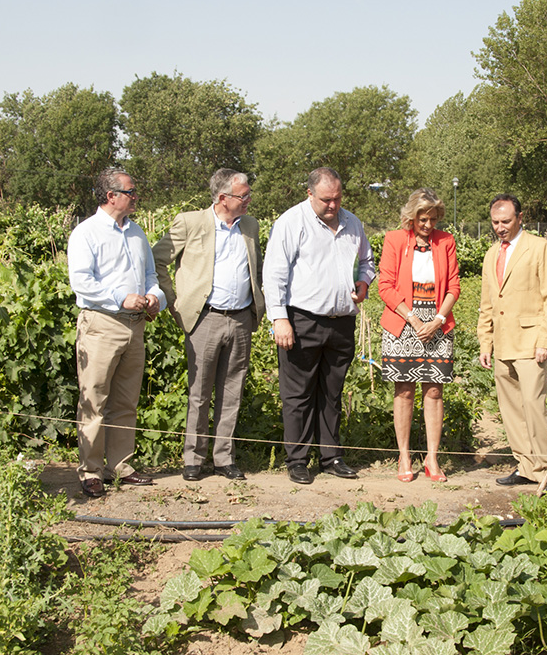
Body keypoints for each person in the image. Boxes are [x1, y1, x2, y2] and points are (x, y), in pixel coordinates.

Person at [262, 167, 376, 485]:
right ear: (309, 194)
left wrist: (364, 283)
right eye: (326, 199)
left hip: (341, 322)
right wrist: (279, 318)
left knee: (332, 392)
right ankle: (297, 460)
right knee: (297, 394)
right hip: (302, 320)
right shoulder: (290, 223)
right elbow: (274, 274)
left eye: (338, 198)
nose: (333, 206)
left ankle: (332, 456)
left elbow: (367, 262)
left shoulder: (353, 223)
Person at [152, 168, 265, 482]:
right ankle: (193, 459)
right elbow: (157, 260)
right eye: (243, 196)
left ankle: (223, 458)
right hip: (205, 317)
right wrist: (174, 303)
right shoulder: (191, 222)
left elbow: (255, 268)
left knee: (232, 390)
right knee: (199, 392)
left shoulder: (251, 226)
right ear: (222, 198)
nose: (248, 200)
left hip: (241, 318)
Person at [68, 167, 166, 498]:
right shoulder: (86, 233)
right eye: (131, 191)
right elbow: (81, 281)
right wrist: (119, 297)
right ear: (111, 196)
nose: (136, 197)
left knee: (126, 400)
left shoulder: (137, 233)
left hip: (135, 325)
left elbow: (151, 275)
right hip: (101, 324)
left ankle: (120, 465)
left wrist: (156, 298)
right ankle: (91, 471)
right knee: (94, 399)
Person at [477, 194, 547, 486]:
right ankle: (525, 467)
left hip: (531, 342)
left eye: (505, 221)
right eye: (495, 222)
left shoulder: (540, 248)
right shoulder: (491, 253)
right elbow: (487, 301)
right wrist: (485, 341)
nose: (500, 227)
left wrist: (545, 340)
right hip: (502, 343)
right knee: (511, 408)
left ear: (520, 218)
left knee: (533, 405)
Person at [378, 189, 461, 482]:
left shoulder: (446, 241)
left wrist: (438, 320)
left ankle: (432, 458)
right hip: (404, 321)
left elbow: (453, 286)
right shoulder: (395, 240)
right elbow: (385, 286)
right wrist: (412, 318)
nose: (428, 225)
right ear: (411, 217)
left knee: (435, 390)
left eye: (433, 219)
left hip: (436, 322)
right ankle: (403, 455)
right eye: (422, 219)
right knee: (404, 389)